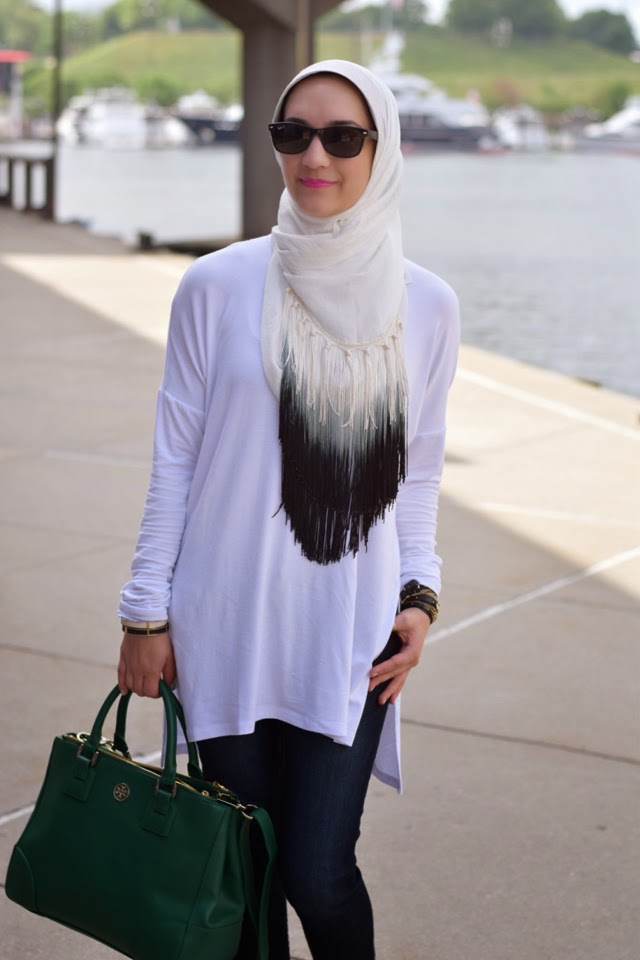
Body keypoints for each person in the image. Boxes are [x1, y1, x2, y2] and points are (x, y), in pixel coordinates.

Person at [118, 59, 459, 960]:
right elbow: (175, 461)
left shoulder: (427, 306)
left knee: (317, 869)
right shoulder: (215, 285)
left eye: (342, 137)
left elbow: (418, 474)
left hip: (350, 630)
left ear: (381, 149)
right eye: (291, 133)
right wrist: (145, 612)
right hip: (222, 622)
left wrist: (419, 595)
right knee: (244, 872)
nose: (314, 157)